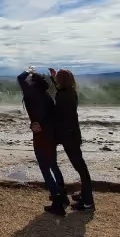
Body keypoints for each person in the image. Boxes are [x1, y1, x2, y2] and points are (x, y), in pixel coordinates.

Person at [17, 67, 68, 215]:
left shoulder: (30, 94)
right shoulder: (46, 96)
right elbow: (54, 117)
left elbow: (20, 78)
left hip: (40, 136)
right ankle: (63, 196)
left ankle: (57, 202)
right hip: (51, 135)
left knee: (45, 169)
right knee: (53, 165)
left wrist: (29, 70)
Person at [49, 67, 95, 212]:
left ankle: (88, 202)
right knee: (81, 167)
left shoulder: (63, 96)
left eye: (57, 79)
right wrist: (53, 77)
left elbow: (57, 116)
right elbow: (60, 91)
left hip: (69, 136)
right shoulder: (70, 92)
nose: (56, 81)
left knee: (81, 168)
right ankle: (85, 195)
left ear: (61, 81)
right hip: (73, 135)